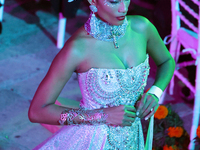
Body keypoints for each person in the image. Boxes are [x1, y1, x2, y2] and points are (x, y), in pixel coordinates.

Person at [28, 0, 175, 149]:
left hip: (133, 140)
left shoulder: (142, 28)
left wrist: (155, 92)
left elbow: (166, 61)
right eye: (113, 2)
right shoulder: (77, 48)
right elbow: (37, 111)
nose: (124, 8)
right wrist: (102, 116)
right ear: (93, 1)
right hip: (92, 142)